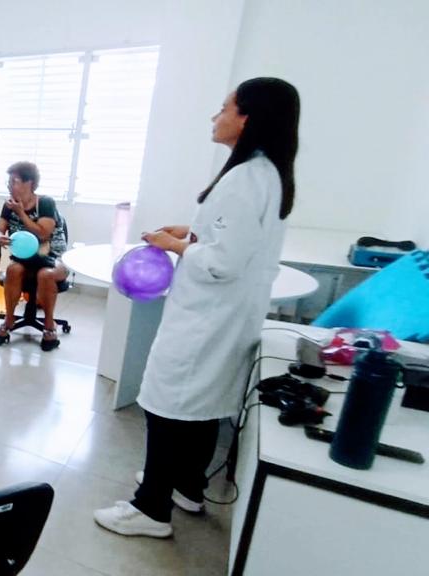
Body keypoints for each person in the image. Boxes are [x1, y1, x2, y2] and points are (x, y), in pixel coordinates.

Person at [93, 77, 300, 538]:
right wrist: (192, 230)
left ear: (248, 117)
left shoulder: (246, 178)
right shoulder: (266, 173)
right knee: (203, 405)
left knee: (167, 404)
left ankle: (151, 509)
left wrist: (174, 245)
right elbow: (237, 236)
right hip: (227, 316)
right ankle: (186, 486)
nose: (215, 116)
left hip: (209, 316)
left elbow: (223, 261)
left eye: (224, 107)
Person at [0, 161, 70, 351]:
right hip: (24, 259)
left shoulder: (45, 203)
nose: (10, 186)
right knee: (13, 270)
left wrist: (21, 214)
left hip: (53, 257)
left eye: (15, 181)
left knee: (46, 275)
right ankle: (9, 320)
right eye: (9, 182)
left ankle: (49, 325)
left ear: (30, 183)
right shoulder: (8, 205)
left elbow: (43, 233)